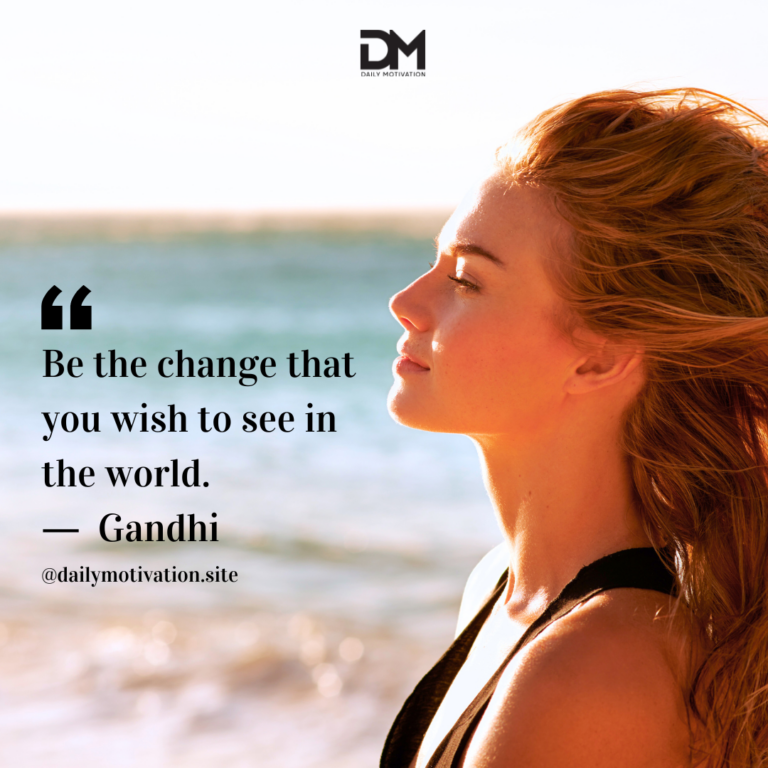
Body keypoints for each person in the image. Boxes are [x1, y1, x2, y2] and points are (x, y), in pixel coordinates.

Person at [380, 89, 768, 768]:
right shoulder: (501, 585)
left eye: (467, 279)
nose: (405, 302)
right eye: (437, 263)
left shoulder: (591, 675)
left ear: (598, 358)